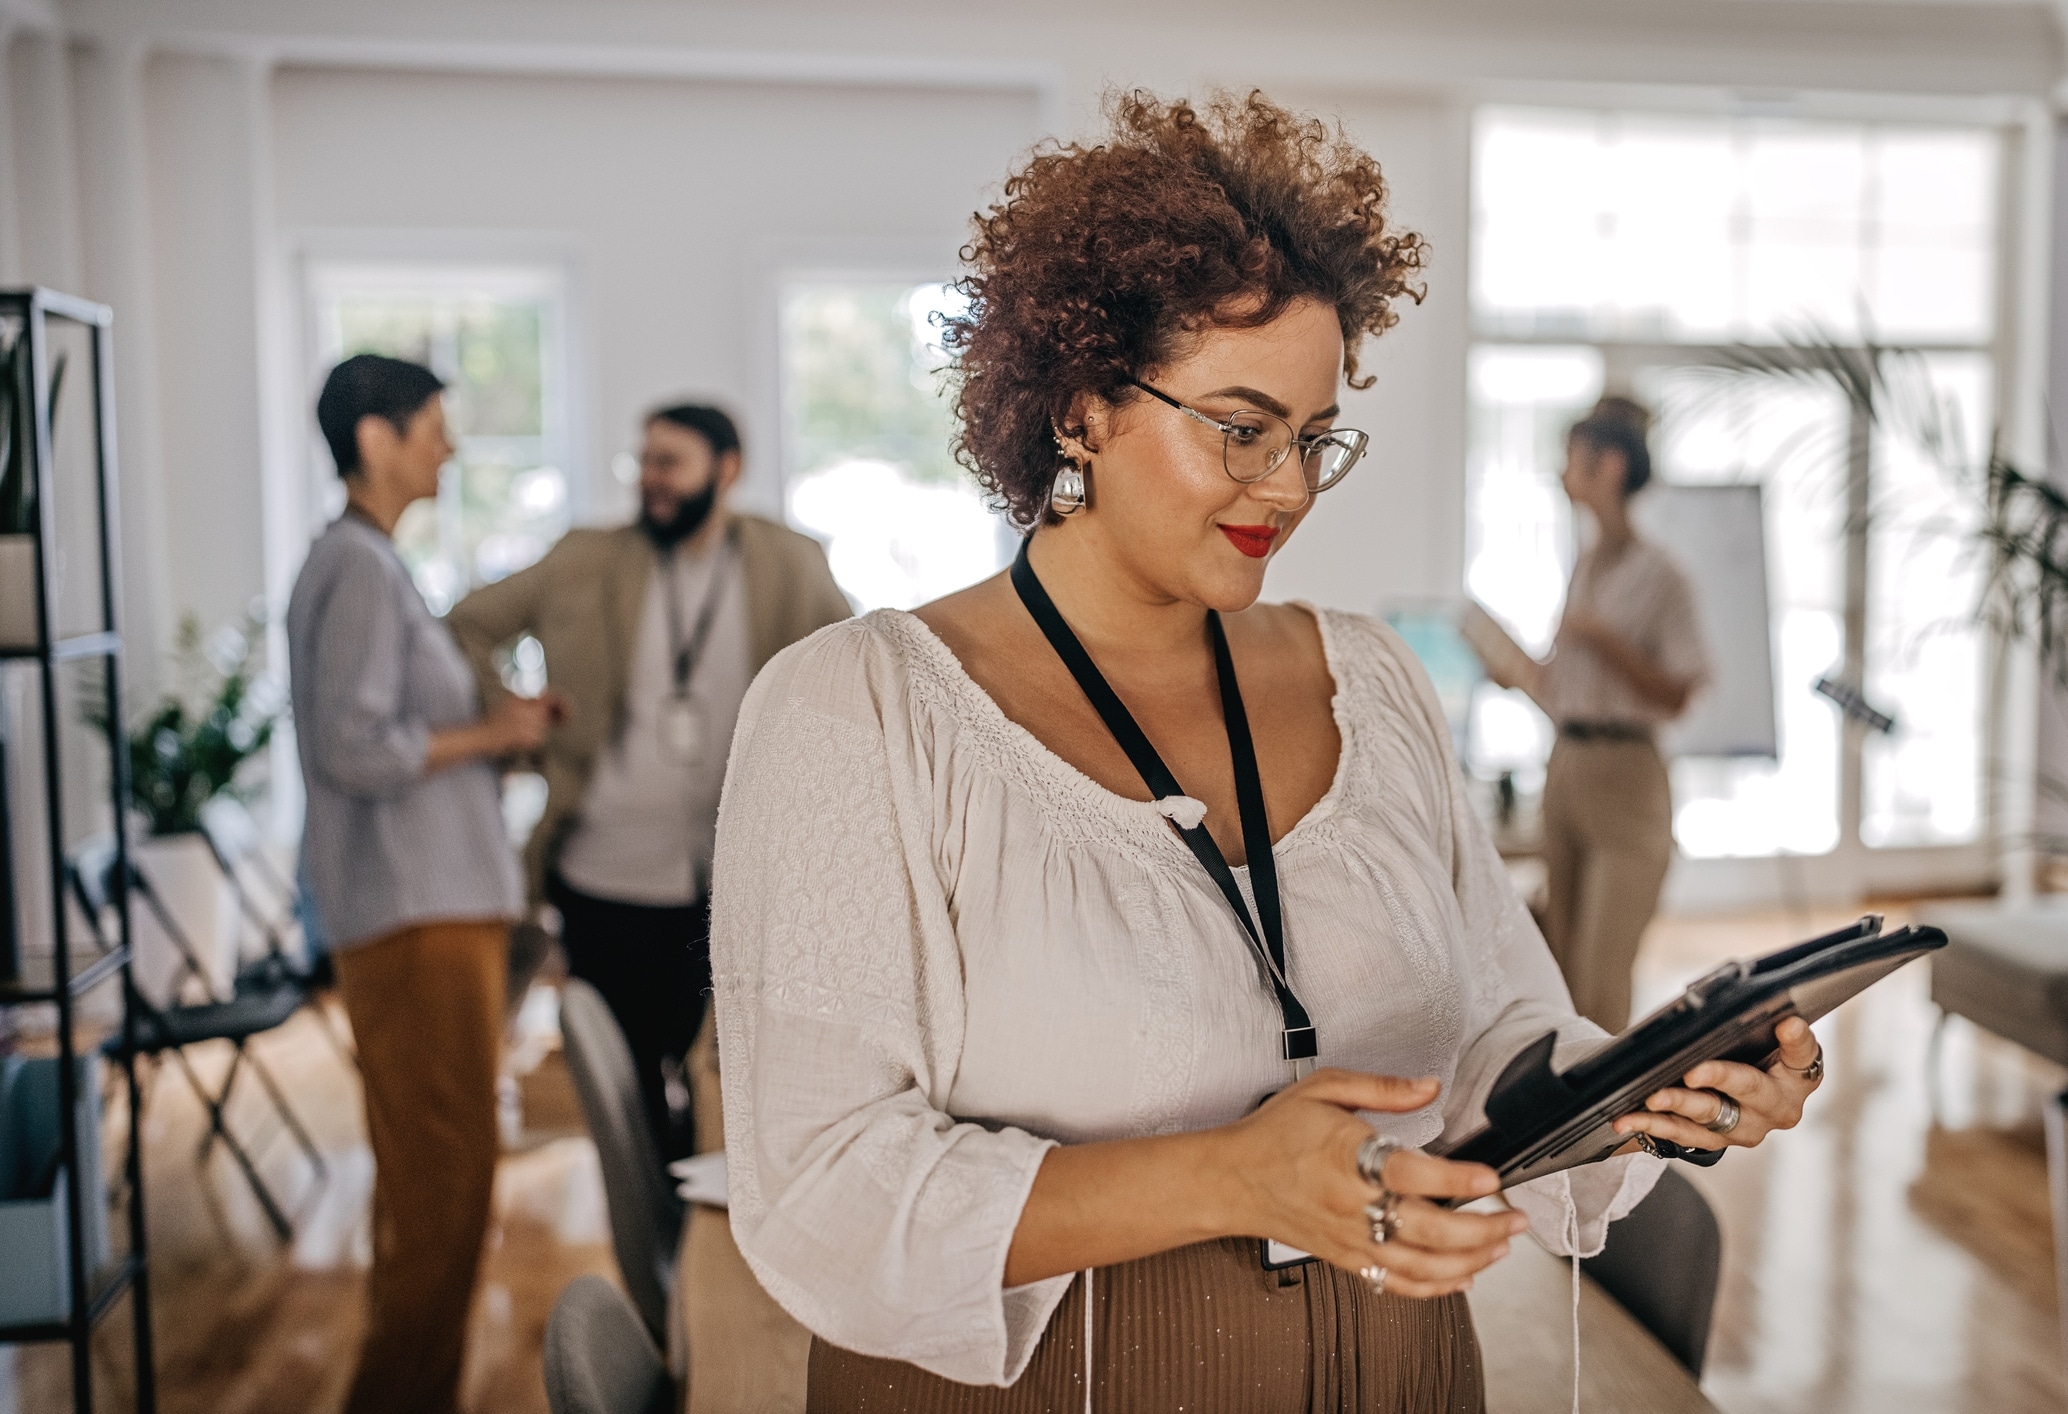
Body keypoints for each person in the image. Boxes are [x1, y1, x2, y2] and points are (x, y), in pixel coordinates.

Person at [712, 93, 1820, 1412]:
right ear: (1078, 410)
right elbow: (822, 1186)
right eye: (1239, 428)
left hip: (1404, 1369)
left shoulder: (1372, 682)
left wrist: (1633, 1086)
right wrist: (1227, 1176)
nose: (1289, 487)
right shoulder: (857, 711)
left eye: (1312, 437)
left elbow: (1494, 1026)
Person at [448, 402, 848, 1164]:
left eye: (671, 462)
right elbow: (464, 624)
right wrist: (508, 714)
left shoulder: (789, 562)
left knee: (731, 1086)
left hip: (739, 879)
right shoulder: (584, 559)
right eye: (645, 462)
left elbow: (857, 666)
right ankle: (647, 1239)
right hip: (606, 876)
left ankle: (705, 1253)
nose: (652, 480)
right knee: (624, 1093)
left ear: (726, 470)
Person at [287, 353, 564, 1414]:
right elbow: (354, 743)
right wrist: (490, 731)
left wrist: (499, 739)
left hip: (431, 906)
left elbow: (386, 734)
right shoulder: (356, 567)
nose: (449, 446)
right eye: (434, 426)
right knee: (442, 1187)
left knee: (439, 1182)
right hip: (413, 913)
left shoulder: (369, 563)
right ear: (376, 438)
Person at [1477, 396, 1709, 1034]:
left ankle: (1605, 1124)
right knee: (1557, 957)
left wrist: (1604, 640)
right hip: (1568, 760)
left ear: (1607, 466)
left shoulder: (1663, 575)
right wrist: (1514, 671)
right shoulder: (1585, 564)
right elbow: (1564, 687)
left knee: (1602, 972)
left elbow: (1679, 693)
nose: (1561, 473)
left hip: (1627, 773)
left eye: (1571, 459)